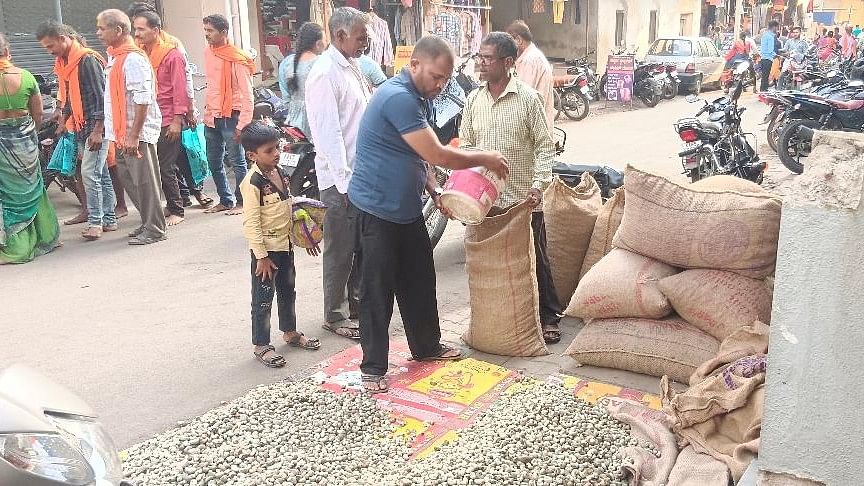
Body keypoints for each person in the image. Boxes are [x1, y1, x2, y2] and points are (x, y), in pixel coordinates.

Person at [347, 35, 509, 393]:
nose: (440, 85)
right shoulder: (398, 97)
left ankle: (426, 347)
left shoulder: (419, 97)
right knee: (377, 288)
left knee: (419, 280)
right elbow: (438, 154)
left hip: (405, 210)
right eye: (436, 77)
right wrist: (486, 157)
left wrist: (433, 190)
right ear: (414, 65)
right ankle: (373, 367)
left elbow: (417, 155)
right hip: (376, 210)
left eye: (445, 80)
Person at [459, 32, 561, 344]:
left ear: (507, 63)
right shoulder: (474, 100)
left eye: (487, 58)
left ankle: (548, 316)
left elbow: (545, 147)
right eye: (480, 56)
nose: (481, 62)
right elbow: (465, 145)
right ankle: (501, 318)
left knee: (534, 259)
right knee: (493, 265)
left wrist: (537, 186)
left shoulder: (528, 99)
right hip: (487, 201)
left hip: (523, 199)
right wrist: (467, 189)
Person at [305, 7, 372, 340]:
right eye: (361, 37)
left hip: (359, 175)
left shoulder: (352, 66)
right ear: (341, 35)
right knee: (340, 249)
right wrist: (344, 184)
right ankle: (334, 314)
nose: (366, 42)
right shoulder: (324, 73)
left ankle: (355, 305)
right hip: (339, 179)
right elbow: (328, 136)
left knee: (358, 245)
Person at [239, 121, 322, 367]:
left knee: (288, 290)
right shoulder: (252, 182)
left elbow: (290, 206)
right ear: (252, 155)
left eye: (277, 147)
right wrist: (261, 256)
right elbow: (251, 223)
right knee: (263, 298)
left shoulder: (281, 172)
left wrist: (305, 236)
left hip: (285, 245)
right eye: (269, 150)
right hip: (266, 253)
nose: (276, 154)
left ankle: (290, 331)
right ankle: (261, 344)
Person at [37, 21, 117, 241]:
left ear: (63, 38)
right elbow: (72, 95)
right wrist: (64, 120)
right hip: (82, 125)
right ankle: (109, 219)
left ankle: (96, 222)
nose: (49, 51)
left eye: (50, 46)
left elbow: (102, 97)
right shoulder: (67, 63)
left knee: (89, 173)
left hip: (96, 125)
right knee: (100, 174)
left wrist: (98, 130)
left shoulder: (87, 60)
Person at [97, 9, 166, 245]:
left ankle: (155, 228)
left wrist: (134, 135)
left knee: (145, 182)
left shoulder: (133, 59)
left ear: (118, 30)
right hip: (120, 132)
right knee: (130, 180)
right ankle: (148, 222)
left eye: (101, 28)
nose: (98, 33)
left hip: (136, 134)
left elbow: (143, 99)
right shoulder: (115, 56)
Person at [0, 34, 61, 263]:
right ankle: (45, 236)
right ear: (9, 52)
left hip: (2, 146)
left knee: (7, 195)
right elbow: (37, 114)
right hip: (25, 142)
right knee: (34, 188)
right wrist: (28, 133)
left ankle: (15, 244)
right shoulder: (26, 77)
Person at [132, 10, 190, 227]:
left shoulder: (172, 54)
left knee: (165, 166)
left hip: (168, 119)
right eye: (135, 28)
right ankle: (174, 203)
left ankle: (177, 209)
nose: (136, 33)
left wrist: (177, 119)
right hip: (151, 118)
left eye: (141, 29)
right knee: (159, 166)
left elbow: (180, 89)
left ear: (155, 30)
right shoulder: (140, 53)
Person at [202, 13, 255, 215]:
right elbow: (211, 87)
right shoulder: (208, 52)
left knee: (237, 161)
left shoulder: (237, 58)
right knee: (214, 161)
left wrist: (243, 124)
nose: (207, 34)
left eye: (210, 31)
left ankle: (242, 202)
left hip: (232, 116)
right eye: (205, 30)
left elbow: (247, 94)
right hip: (212, 116)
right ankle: (225, 199)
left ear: (223, 32)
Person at [277, 22, 325, 139]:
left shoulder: (287, 63)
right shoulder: (323, 62)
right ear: (318, 43)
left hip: (294, 122)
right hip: (318, 120)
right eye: (325, 39)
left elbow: (286, 97)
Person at [506, 20, 555, 132]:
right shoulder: (531, 57)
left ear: (518, 40)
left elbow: (521, 97)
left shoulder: (530, 60)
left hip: (532, 130)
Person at [759, 21, 779, 92]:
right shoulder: (771, 37)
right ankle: (764, 90)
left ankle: (762, 90)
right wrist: (777, 55)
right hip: (768, 59)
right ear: (774, 27)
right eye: (777, 27)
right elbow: (770, 50)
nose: (777, 29)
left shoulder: (764, 35)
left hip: (763, 58)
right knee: (766, 76)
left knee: (764, 76)